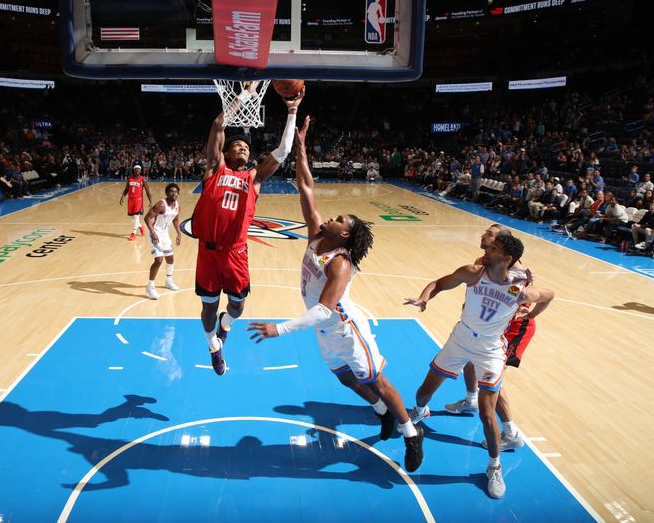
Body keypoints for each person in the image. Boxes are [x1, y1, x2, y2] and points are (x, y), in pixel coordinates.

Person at [247, 115, 424, 471]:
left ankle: (410, 433)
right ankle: (379, 412)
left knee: (378, 381)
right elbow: (306, 186)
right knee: (344, 377)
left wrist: (278, 329)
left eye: (340, 219)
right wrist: (300, 144)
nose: (332, 217)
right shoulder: (316, 233)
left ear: (344, 235)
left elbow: (326, 310)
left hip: (344, 328)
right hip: (325, 330)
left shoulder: (340, 263)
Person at [404, 233, 554, 498]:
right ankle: (420, 412)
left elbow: (548, 295)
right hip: (460, 338)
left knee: (487, 413)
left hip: (491, 349)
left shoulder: (521, 288)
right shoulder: (473, 272)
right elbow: (439, 283)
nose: (487, 250)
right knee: (423, 393)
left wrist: (531, 313)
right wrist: (425, 297)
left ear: (507, 259)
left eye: (494, 248)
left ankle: (494, 466)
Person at [194, 81, 303, 375]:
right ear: (227, 154)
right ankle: (213, 346)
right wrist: (243, 95)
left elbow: (283, 151)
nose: (242, 147)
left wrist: (291, 112)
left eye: (245, 147)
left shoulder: (254, 178)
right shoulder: (215, 169)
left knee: (237, 308)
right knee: (207, 307)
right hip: (207, 252)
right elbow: (218, 124)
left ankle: (224, 327)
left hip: (235, 253)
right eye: (237, 146)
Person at [445, 225, 536, 453]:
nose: (484, 235)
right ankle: (470, 400)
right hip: (488, 325)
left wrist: (528, 282)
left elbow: (524, 294)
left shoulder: (515, 270)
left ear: (501, 246)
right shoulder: (484, 260)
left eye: (490, 234)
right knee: (469, 361)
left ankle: (511, 433)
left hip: (513, 327)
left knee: (492, 380)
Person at [144, 183, 182, 299]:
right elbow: (147, 218)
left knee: (170, 258)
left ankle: (168, 281)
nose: (173, 193)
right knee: (159, 260)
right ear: (167, 193)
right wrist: (153, 233)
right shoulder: (161, 205)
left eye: (175, 192)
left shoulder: (177, 206)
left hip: (165, 234)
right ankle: (150, 286)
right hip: (155, 232)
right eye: (171, 191)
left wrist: (179, 233)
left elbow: (175, 219)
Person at [119, 165, 152, 240]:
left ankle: (133, 233)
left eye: (139, 170)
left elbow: (148, 191)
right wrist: (122, 196)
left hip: (138, 200)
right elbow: (126, 188)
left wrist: (150, 201)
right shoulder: (129, 178)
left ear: (140, 171)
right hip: (130, 200)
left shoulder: (143, 179)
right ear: (133, 170)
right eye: (136, 170)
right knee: (133, 218)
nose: (137, 171)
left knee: (136, 216)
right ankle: (140, 226)